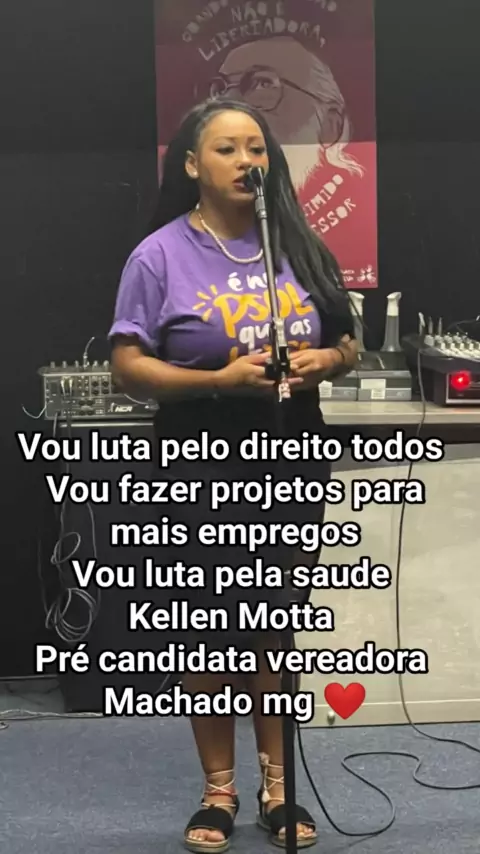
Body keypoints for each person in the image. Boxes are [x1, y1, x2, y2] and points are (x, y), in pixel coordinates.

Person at [108, 97, 358, 852]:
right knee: (210, 630)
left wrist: (325, 361)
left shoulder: (299, 243)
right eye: (227, 148)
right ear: (192, 165)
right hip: (199, 458)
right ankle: (218, 792)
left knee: (273, 627)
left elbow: (347, 342)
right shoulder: (158, 255)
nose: (248, 160)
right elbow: (128, 367)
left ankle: (280, 790)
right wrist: (217, 380)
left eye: (257, 146)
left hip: (290, 455)